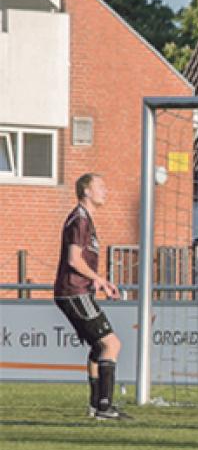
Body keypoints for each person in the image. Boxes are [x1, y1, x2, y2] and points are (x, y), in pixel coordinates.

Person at [54, 173, 127, 420]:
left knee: (99, 346)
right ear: (86, 191)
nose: (105, 191)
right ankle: (105, 407)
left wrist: (99, 281)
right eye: (100, 186)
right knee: (112, 344)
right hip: (73, 291)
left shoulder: (87, 220)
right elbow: (74, 259)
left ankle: (97, 406)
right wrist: (98, 279)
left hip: (78, 291)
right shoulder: (79, 220)